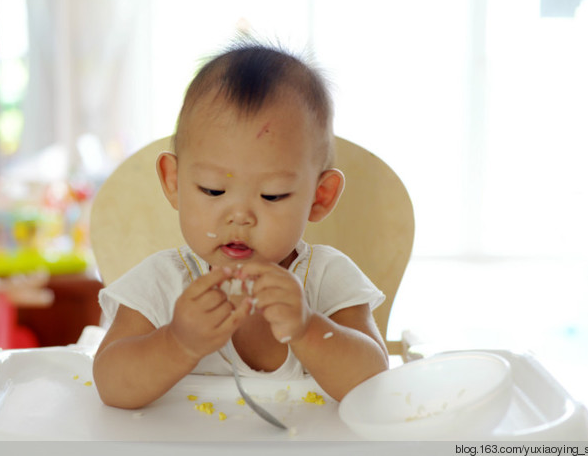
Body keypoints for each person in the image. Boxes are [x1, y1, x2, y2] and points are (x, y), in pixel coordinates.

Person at [93, 41, 389, 409]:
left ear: (320, 196)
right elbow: (110, 385)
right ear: (174, 182)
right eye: (213, 190)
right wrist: (176, 343)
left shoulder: (326, 279)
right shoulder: (163, 283)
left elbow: (375, 385)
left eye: (272, 195)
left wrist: (308, 328)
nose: (240, 217)